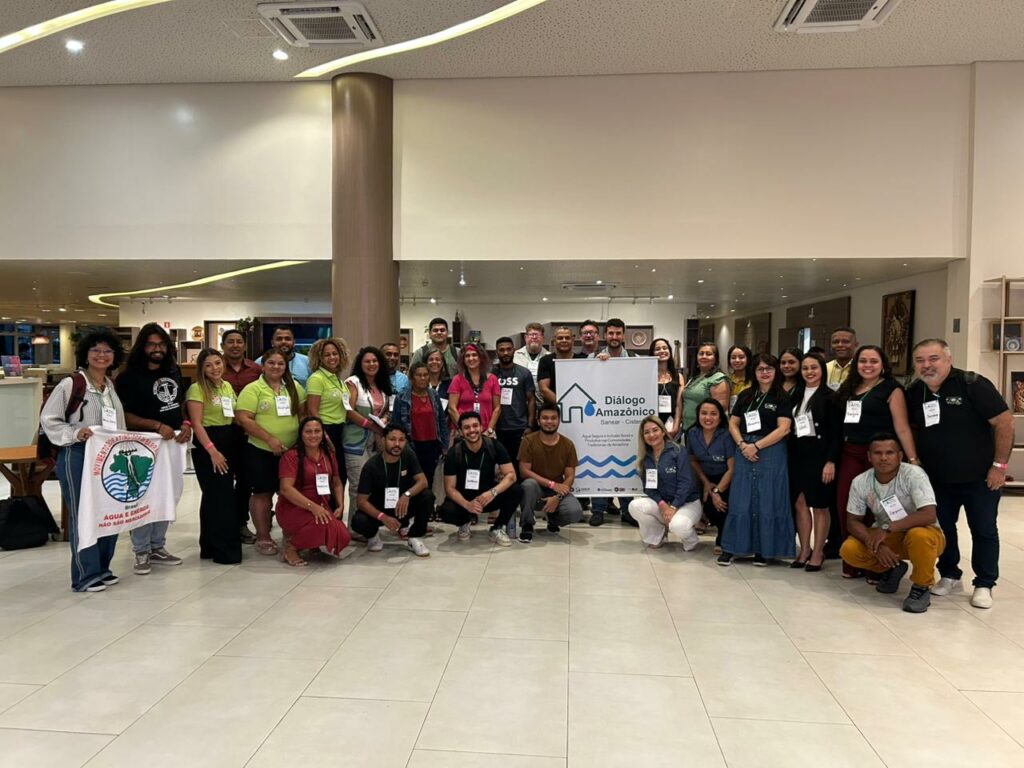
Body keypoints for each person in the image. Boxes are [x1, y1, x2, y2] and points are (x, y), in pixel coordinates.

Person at [906, 338, 1013, 608]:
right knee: (943, 529)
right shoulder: (916, 391)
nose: (927, 365)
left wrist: (999, 466)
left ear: (948, 359)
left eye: (933, 359)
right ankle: (950, 575)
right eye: (920, 360)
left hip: (981, 478)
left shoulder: (972, 384)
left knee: (984, 529)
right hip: (937, 479)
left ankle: (985, 583)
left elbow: (1004, 423)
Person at [40, 328, 127, 592]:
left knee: (109, 511)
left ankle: (103, 567)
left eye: (107, 351)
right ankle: (85, 574)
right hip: (77, 455)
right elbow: (49, 419)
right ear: (86, 354)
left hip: (107, 456)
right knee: (83, 513)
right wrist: (76, 432)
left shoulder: (109, 386)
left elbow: (117, 423)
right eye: (96, 350)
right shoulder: (72, 384)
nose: (102, 355)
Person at [835, 345, 919, 578]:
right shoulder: (850, 388)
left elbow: (902, 428)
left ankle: (878, 564)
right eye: (863, 361)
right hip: (851, 452)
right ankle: (853, 560)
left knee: (879, 510)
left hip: (881, 456)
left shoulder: (892, 389)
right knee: (847, 506)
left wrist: (912, 459)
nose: (868, 366)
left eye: (873, 361)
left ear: (883, 364)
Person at [840, 433, 946, 613]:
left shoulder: (914, 475)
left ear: (900, 456)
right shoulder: (860, 482)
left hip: (926, 534)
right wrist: (874, 544)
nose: (883, 458)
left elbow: (928, 515)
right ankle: (892, 568)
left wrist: (888, 529)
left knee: (918, 535)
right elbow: (853, 522)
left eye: (889, 453)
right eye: (877, 453)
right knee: (849, 550)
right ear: (869, 456)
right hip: (887, 536)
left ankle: (921, 587)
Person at [115, 323, 189, 575]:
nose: (157, 349)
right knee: (144, 494)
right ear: (142, 347)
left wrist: (185, 423)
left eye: (161, 345)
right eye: (151, 344)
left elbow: (179, 403)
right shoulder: (128, 376)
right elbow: (122, 414)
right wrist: (156, 425)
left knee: (169, 494)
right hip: (142, 444)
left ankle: (158, 546)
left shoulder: (173, 370)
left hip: (172, 443)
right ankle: (141, 550)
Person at [719, 352, 795, 566]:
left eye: (769, 369)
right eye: (760, 369)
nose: (764, 373)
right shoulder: (745, 396)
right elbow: (733, 423)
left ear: (776, 371)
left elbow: (784, 429)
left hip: (771, 450)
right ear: (754, 371)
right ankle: (732, 547)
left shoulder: (782, 397)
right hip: (744, 449)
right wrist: (743, 445)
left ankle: (765, 549)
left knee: (768, 499)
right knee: (741, 498)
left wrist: (756, 446)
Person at [235, 348, 306, 556]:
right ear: (263, 366)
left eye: (280, 364)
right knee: (262, 493)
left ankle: (290, 533)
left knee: (289, 493)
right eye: (272, 363)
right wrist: (270, 439)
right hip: (260, 450)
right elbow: (243, 418)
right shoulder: (253, 389)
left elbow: (302, 414)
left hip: (290, 452)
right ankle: (263, 536)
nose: (276, 367)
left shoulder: (293, 387)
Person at [185, 348, 242, 564]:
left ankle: (208, 545)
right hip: (209, 445)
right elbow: (197, 423)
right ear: (202, 369)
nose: (214, 368)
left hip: (228, 439)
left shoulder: (226, 386)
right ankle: (224, 550)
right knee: (220, 498)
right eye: (208, 365)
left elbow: (234, 415)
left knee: (214, 497)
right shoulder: (196, 389)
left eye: (217, 363)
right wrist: (212, 451)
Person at [787, 351, 840, 572]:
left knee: (819, 505)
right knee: (799, 503)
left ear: (822, 370)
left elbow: (837, 432)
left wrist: (831, 461)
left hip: (821, 457)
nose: (809, 372)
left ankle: (818, 551)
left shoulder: (831, 397)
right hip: (798, 455)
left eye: (814, 368)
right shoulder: (795, 394)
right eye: (805, 368)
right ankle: (804, 549)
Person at [275, 416, 351, 567]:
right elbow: (286, 489)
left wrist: (341, 505)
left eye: (317, 431)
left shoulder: (328, 453)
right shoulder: (291, 456)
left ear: (323, 433)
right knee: (322, 526)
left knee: (343, 536)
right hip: (294, 508)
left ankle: (308, 540)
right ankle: (291, 548)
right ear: (301, 434)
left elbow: (336, 482)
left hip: (320, 506)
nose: (313, 435)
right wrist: (313, 507)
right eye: (308, 431)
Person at [439, 412, 522, 547]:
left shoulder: (494, 446)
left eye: (475, 426)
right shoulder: (454, 452)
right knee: (446, 511)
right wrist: (467, 504)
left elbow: (511, 475)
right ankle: (464, 523)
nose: (472, 430)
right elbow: (449, 488)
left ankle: (497, 528)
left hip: (487, 496)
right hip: (465, 498)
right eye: (466, 427)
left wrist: (492, 492)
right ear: (460, 431)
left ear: (481, 427)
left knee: (516, 490)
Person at [354, 425, 435, 557]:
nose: (397, 444)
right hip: (380, 509)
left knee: (427, 496)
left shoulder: (408, 455)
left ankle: (414, 537)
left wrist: (407, 495)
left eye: (401, 440)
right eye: (392, 439)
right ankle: (373, 536)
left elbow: (423, 481)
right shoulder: (372, 465)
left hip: (402, 507)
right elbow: (361, 501)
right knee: (359, 521)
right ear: (383, 440)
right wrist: (383, 517)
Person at [629, 416, 702, 550]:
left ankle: (691, 540)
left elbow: (686, 483)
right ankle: (658, 536)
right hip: (665, 504)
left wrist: (674, 507)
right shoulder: (645, 458)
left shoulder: (678, 451)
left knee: (678, 526)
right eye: (647, 432)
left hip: (687, 502)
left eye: (655, 430)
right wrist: (662, 504)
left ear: (663, 431)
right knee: (635, 506)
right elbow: (649, 488)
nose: (651, 435)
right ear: (643, 436)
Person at [589, 318, 635, 526]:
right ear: (605, 335)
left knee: (626, 463)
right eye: (610, 333)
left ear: (623, 335)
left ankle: (627, 509)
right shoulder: (592, 357)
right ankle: (598, 510)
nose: (614, 337)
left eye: (618, 333)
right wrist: (597, 365)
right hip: (599, 420)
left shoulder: (635, 359)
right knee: (598, 462)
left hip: (625, 419)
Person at [518, 402, 583, 541]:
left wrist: (557, 497)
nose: (549, 422)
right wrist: (552, 484)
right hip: (536, 490)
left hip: (557, 491)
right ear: (538, 420)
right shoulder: (528, 441)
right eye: (545, 418)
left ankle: (552, 519)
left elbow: (570, 476)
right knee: (528, 485)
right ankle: (527, 524)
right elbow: (524, 471)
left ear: (559, 420)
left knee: (575, 512)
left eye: (553, 418)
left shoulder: (568, 444)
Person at [341, 346, 392, 515]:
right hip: (355, 441)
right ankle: (355, 528)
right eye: (367, 361)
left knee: (370, 485)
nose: (371, 364)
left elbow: (385, 409)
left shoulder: (382, 384)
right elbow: (348, 410)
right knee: (358, 485)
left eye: (375, 361)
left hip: (375, 442)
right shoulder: (353, 382)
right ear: (360, 364)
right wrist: (369, 424)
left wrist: (384, 419)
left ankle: (366, 523)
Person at [221, 329, 260, 543]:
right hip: (223, 432)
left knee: (245, 481)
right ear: (223, 345)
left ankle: (241, 524)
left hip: (248, 434)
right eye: (230, 342)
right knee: (223, 481)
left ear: (244, 346)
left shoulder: (256, 370)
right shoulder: (216, 368)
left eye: (239, 342)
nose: (235, 345)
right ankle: (225, 524)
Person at [392, 361, 449, 497]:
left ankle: (427, 508)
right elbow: (396, 424)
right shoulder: (402, 398)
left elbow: (441, 420)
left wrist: (445, 445)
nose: (423, 378)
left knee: (429, 479)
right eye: (419, 375)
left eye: (425, 375)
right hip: (412, 445)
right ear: (411, 377)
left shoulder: (434, 395)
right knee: (412, 479)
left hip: (432, 445)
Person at [686, 398, 735, 554]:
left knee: (721, 505)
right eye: (704, 413)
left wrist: (717, 491)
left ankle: (723, 536)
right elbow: (693, 460)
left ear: (720, 417)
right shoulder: (692, 433)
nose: (708, 418)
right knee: (707, 504)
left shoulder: (726, 435)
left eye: (713, 414)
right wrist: (706, 483)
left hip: (726, 477)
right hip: (704, 477)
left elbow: (732, 469)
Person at [305, 337, 351, 476]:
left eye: (335, 353)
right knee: (328, 475)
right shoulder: (316, 379)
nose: (332, 357)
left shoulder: (338, 379)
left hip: (340, 430)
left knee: (340, 476)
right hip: (325, 430)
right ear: (320, 358)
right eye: (327, 354)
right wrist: (324, 436)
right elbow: (312, 410)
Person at [492, 336, 536, 477]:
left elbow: (531, 400)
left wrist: (530, 425)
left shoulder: (524, 373)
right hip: (496, 428)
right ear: (497, 352)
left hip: (519, 427)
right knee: (499, 469)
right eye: (502, 350)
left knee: (519, 468)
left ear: (514, 351)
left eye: (508, 349)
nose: (505, 353)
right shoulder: (490, 374)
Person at [447, 343, 501, 437]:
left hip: (486, 432)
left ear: (481, 357)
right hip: (462, 432)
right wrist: (463, 429)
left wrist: (490, 429)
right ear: (463, 360)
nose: (471, 358)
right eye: (467, 356)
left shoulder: (493, 379)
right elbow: (452, 408)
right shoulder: (457, 379)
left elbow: (497, 408)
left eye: (474, 355)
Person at [681, 342, 730, 433]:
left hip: (706, 431)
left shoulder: (718, 378)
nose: (704, 356)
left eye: (708, 354)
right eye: (701, 353)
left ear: (715, 359)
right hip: (688, 428)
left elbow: (720, 408)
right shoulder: (694, 378)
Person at [651, 337, 684, 439]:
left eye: (665, 348)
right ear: (652, 353)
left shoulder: (678, 377)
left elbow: (679, 405)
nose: (662, 351)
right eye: (657, 349)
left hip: (671, 423)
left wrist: (676, 426)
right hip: (652, 423)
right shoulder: (647, 376)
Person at [536, 326, 576, 405]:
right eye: (560, 338)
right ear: (554, 341)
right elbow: (544, 389)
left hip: (580, 408)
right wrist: (564, 405)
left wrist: (603, 359)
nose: (564, 340)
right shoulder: (545, 361)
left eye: (567, 338)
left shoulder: (582, 359)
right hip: (553, 411)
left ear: (573, 341)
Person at [826, 327, 858, 391]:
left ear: (856, 344)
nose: (840, 345)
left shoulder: (861, 369)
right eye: (835, 342)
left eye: (845, 342)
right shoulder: (825, 368)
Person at [726, 345, 753, 410]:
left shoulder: (755, 380)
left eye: (741, 357)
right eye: (733, 357)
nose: (737, 360)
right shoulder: (726, 380)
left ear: (748, 359)